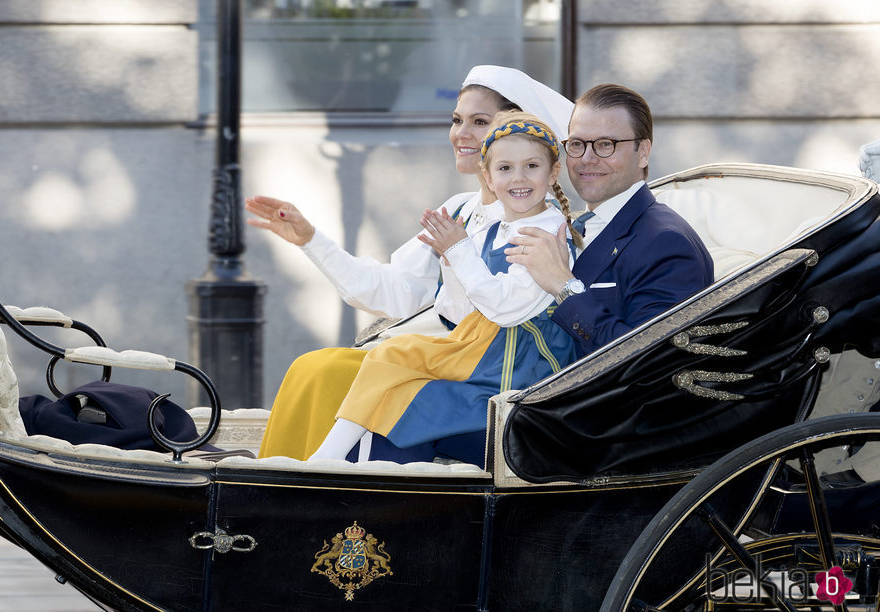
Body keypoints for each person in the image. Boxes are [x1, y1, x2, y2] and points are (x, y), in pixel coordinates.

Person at [247, 66, 573, 461]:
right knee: (311, 367)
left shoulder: (542, 227)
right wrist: (311, 240)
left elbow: (501, 312)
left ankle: (321, 484)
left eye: (480, 122)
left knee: (331, 372)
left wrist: (458, 256)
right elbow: (393, 292)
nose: (462, 134)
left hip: (485, 364)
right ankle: (280, 485)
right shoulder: (458, 211)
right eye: (457, 120)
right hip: (455, 352)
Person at [506, 83, 714, 358]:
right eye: (577, 144)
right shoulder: (569, 225)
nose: (587, 159)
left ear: (643, 152)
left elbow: (651, 360)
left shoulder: (666, 242)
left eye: (606, 144)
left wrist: (564, 286)